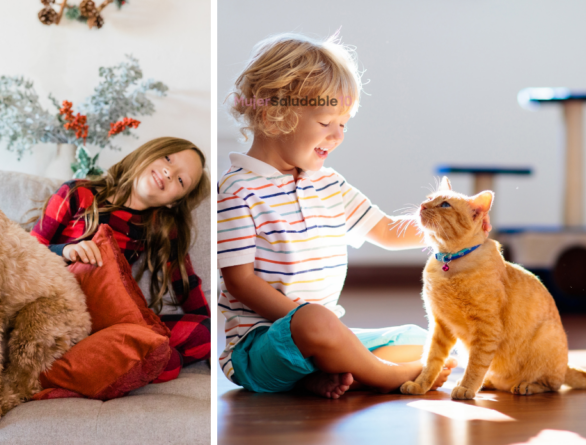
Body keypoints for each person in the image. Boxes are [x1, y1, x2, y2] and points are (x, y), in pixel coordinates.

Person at [218, 32, 489, 399]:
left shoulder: (328, 183)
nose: (339, 135)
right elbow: (240, 282)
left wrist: (458, 231)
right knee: (315, 321)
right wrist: (309, 320)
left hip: (325, 336)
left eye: (344, 124)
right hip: (261, 348)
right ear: (275, 114)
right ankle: (383, 375)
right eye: (327, 122)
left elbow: (389, 231)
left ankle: (331, 375)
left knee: (419, 339)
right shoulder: (239, 190)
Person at [30, 137, 211, 383]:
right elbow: (26, 253)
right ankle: (59, 373)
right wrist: (66, 252)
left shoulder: (160, 227)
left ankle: (85, 369)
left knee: (203, 335)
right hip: (55, 316)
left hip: (108, 326)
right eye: (168, 158)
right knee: (164, 363)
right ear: (147, 152)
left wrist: (220, 347)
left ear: (173, 202)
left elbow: (187, 287)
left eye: (181, 180)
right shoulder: (78, 193)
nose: (170, 172)